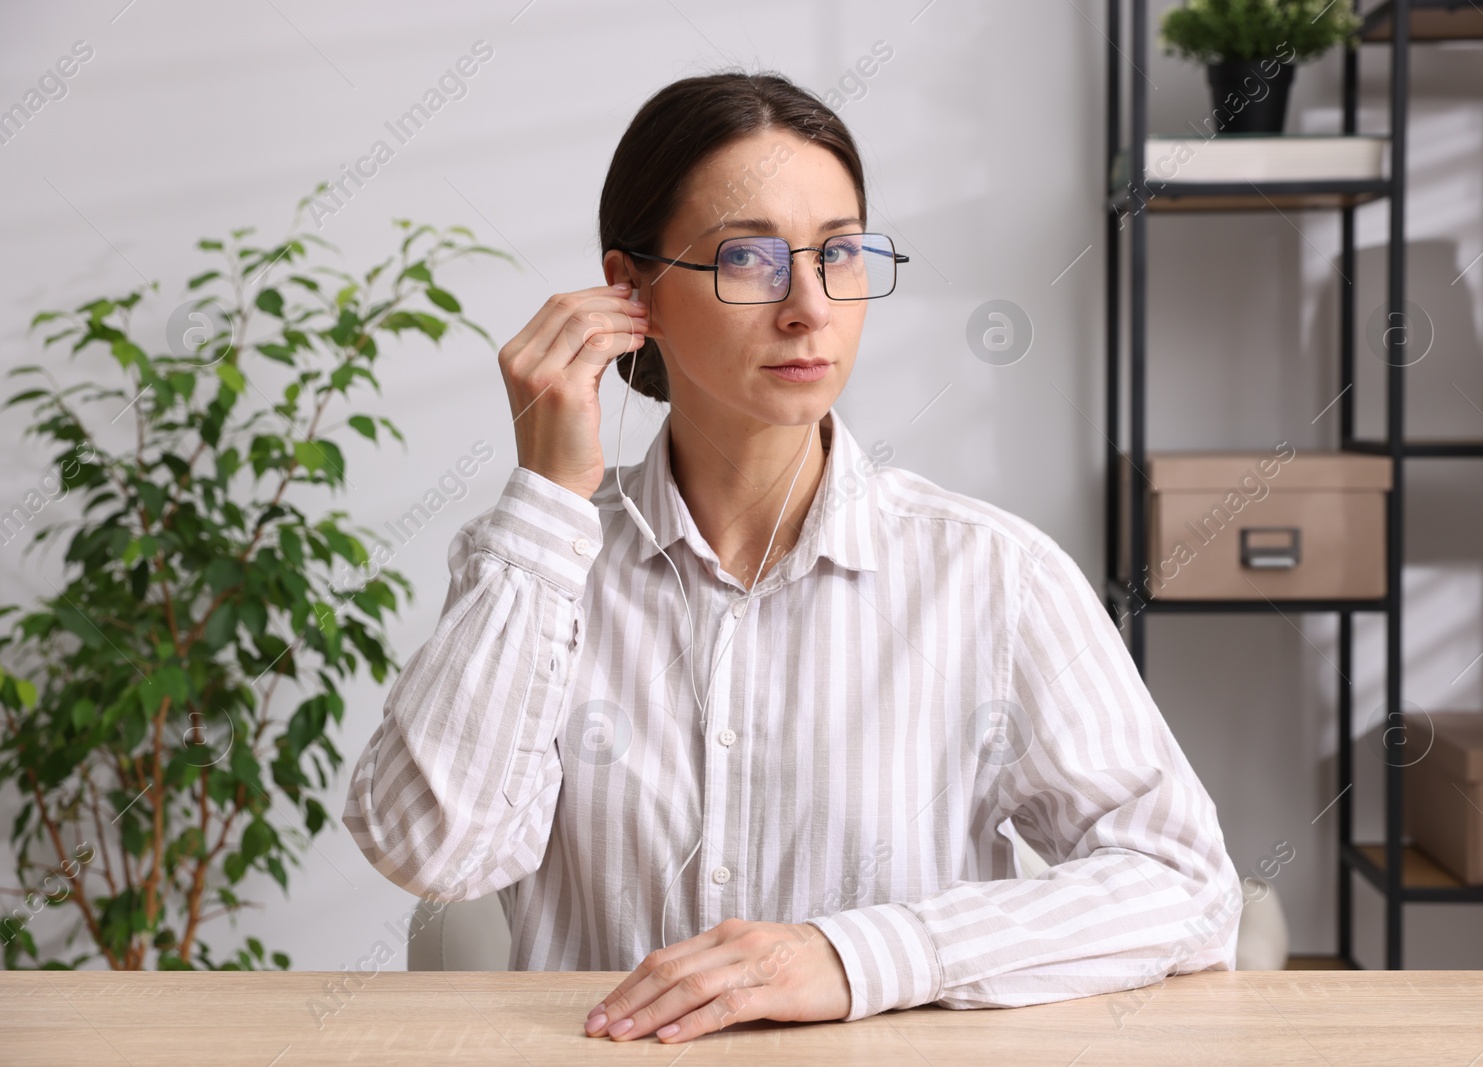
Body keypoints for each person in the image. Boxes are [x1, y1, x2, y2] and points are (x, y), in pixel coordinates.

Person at [342, 69, 1241, 1046]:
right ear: (629, 287)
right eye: (750, 258)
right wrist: (547, 500)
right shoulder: (540, 563)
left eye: (840, 253)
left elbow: (1186, 885)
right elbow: (433, 850)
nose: (809, 305)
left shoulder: (991, 577)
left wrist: (858, 953)